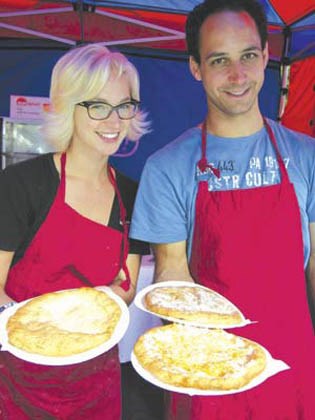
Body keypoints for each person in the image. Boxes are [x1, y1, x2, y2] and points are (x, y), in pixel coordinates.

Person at [129, 0, 315, 419]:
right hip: (207, 372)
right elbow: (172, 274)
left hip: (294, 369)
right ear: (196, 67)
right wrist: (206, 362)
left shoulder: (307, 157)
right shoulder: (167, 168)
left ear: (267, 56)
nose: (237, 76)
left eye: (249, 55)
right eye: (219, 60)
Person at [0, 43, 150, 419]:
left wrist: (99, 306)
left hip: (96, 380)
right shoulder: (21, 184)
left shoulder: (132, 193)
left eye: (124, 105)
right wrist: (45, 333)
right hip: (20, 379)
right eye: (97, 105)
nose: (114, 121)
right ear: (68, 106)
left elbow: (126, 285)